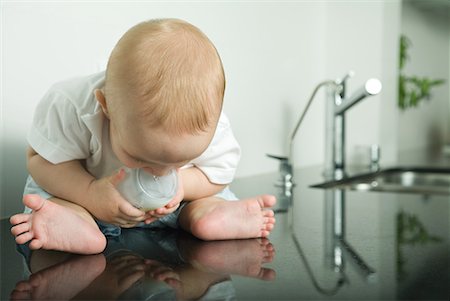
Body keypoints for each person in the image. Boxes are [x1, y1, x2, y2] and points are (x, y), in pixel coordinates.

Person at [9, 18, 276, 255]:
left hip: (173, 207)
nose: (160, 173)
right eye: (139, 157)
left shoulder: (210, 123)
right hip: (87, 196)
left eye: (181, 161)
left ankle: (207, 216)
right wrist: (90, 194)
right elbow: (40, 161)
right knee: (57, 199)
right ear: (106, 106)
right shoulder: (71, 105)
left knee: (202, 201)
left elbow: (217, 174)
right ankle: (74, 222)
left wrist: (183, 186)